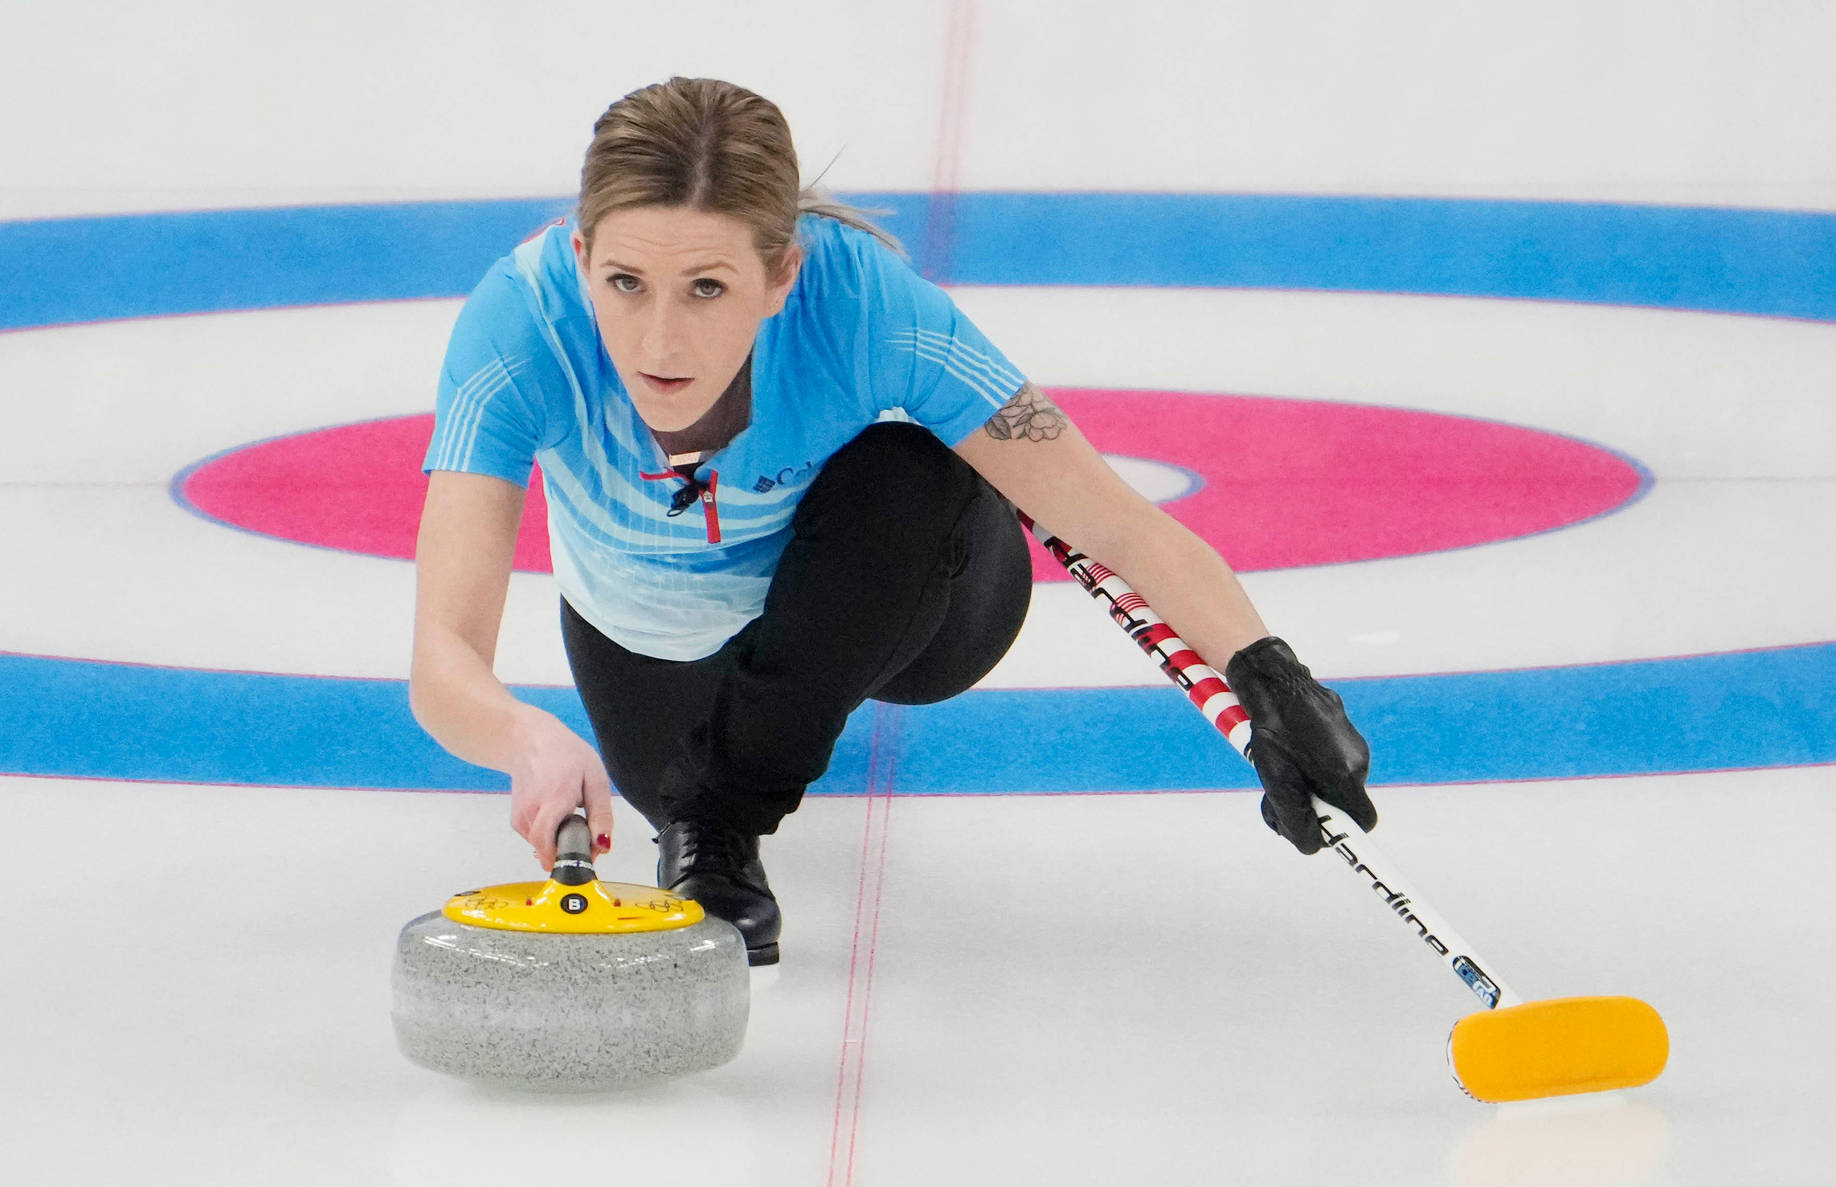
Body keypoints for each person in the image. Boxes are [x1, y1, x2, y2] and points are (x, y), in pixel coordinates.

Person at [408, 76, 1375, 966]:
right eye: (625, 283)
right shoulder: (518, 325)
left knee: (915, 473)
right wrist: (527, 739)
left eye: (708, 287)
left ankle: (724, 811)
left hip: (904, 615)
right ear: (581, 256)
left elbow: (1115, 519)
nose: (661, 339)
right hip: (653, 645)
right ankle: (719, 780)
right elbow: (443, 654)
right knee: (675, 758)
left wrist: (1268, 674)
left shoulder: (863, 303)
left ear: (782, 273)